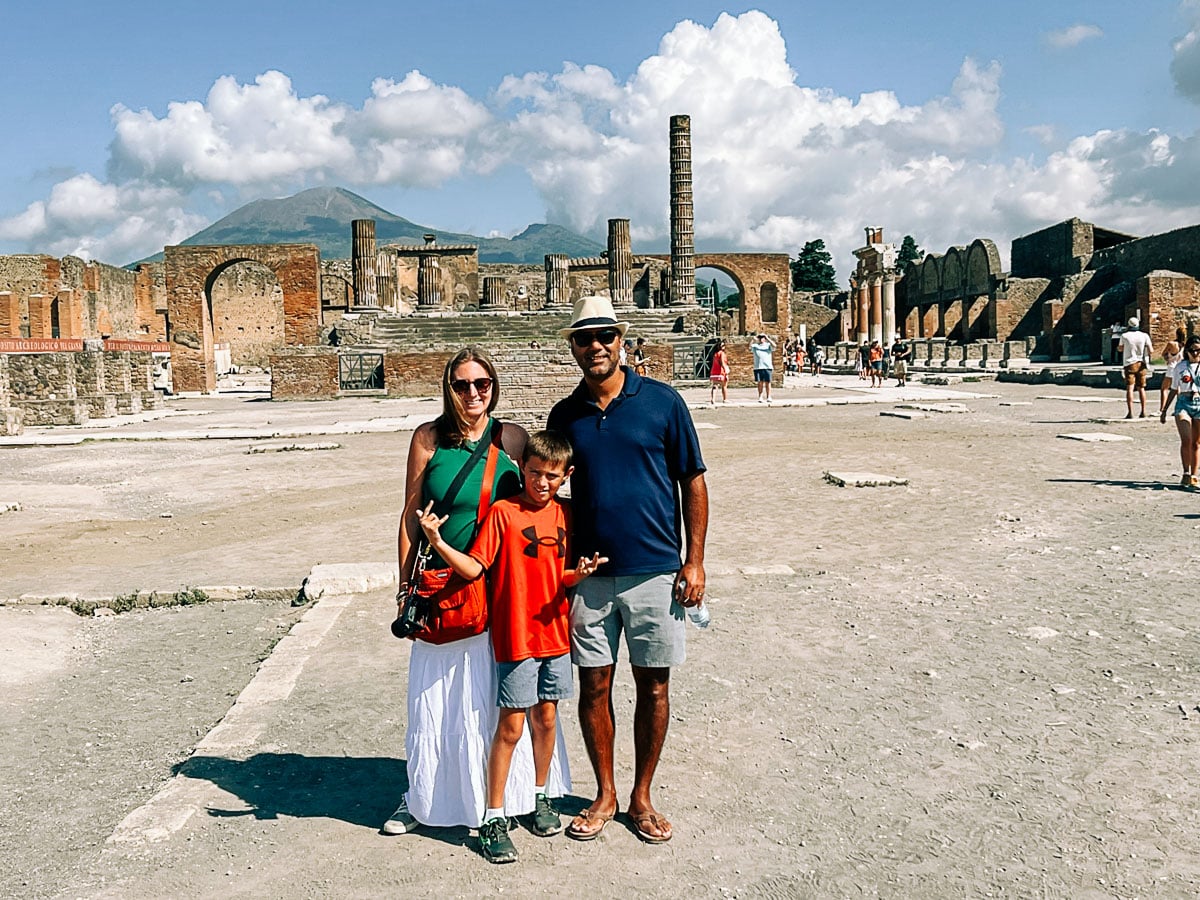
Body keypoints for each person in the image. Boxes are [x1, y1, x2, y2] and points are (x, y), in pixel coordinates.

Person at [384, 347, 570, 836]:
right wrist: (405, 585)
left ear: (494, 386)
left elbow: (537, 495)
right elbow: (410, 515)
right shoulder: (428, 439)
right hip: (445, 586)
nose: (472, 394)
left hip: (505, 587)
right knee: (444, 697)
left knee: (503, 700)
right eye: (462, 384)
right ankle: (428, 795)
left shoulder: (511, 437)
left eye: (482, 384)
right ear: (449, 387)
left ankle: (519, 794)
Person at [547, 295, 708, 845]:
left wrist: (695, 561)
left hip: (656, 570)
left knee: (654, 685)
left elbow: (693, 482)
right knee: (593, 685)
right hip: (590, 577)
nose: (595, 346)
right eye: (584, 338)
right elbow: (547, 484)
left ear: (622, 340)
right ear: (572, 346)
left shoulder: (662, 402)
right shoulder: (564, 415)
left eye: (605, 336)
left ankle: (641, 797)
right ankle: (605, 793)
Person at [416, 431, 606, 863]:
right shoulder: (504, 512)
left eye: (552, 476)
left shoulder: (564, 515)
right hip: (516, 638)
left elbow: (558, 577)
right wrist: (437, 541)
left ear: (566, 476)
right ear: (523, 469)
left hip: (555, 636)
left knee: (546, 718)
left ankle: (539, 796)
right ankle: (493, 816)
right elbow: (475, 567)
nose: (542, 483)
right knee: (510, 727)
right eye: (536, 473)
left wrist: (581, 573)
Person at [1160, 336, 1200, 488]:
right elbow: (1174, 389)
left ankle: (1194, 476)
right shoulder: (1180, 367)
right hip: (1184, 402)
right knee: (1186, 439)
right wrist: (1164, 410)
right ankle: (1185, 472)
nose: (1195, 354)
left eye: (1198, 350)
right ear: (1187, 351)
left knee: (1196, 443)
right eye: (1192, 351)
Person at [1119, 317, 1153, 419]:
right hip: (1141, 363)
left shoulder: (1124, 336)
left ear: (1128, 325)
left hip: (1129, 363)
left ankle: (1130, 412)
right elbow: (1151, 350)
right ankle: (1143, 411)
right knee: (1141, 388)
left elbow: (1120, 349)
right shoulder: (1144, 335)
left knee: (1130, 388)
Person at [750, 333, 775, 403]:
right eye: (760, 337)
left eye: (763, 337)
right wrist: (753, 340)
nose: (761, 339)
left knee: (768, 382)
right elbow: (749, 347)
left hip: (767, 366)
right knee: (760, 383)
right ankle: (760, 396)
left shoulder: (768, 345)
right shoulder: (755, 346)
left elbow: (774, 345)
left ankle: (769, 396)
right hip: (758, 367)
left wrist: (768, 338)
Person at [709, 339, 730, 405]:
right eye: (723, 346)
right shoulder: (722, 353)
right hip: (721, 371)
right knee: (724, 386)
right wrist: (726, 372)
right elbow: (723, 363)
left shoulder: (715, 354)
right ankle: (725, 399)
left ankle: (713, 399)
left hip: (714, 371)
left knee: (715, 386)